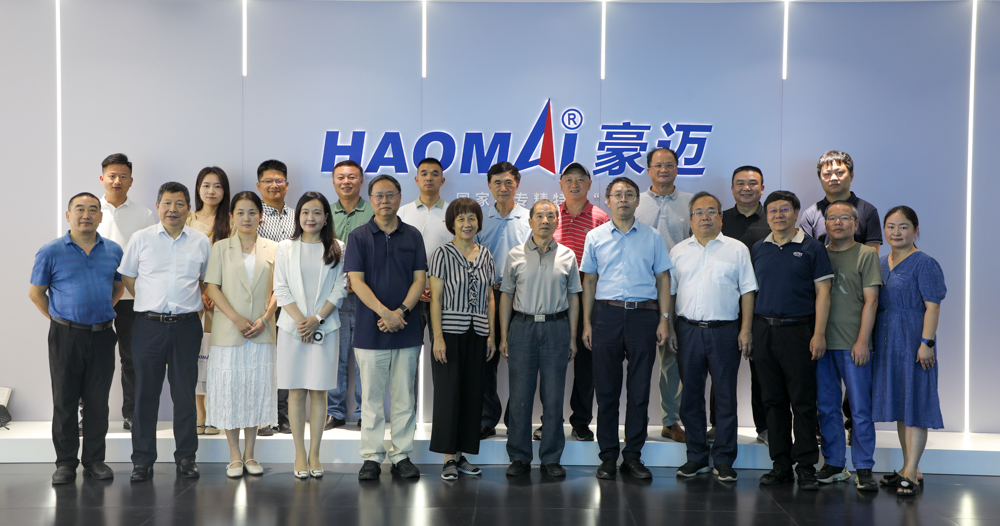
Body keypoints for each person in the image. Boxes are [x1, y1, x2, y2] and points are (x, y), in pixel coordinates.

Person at [119, 182, 211, 482]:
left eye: (179, 204)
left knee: (184, 395)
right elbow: (128, 277)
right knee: (145, 395)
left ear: (188, 208)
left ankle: (186, 458)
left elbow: (204, 281)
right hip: (148, 326)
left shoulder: (200, 241)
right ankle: (142, 461)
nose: (173, 209)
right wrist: (150, 301)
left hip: (186, 327)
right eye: (167, 203)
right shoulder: (141, 239)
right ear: (158, 206)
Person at [29, 192, 124, 485]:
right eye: (80, 209)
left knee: (98, 402)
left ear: (101, 216)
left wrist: (99, 313)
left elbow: (118, 288)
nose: (86, 215)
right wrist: (62, 320)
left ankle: (94, 460)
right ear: (68, 215)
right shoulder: (50, 251)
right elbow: (36, 293)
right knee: (65, 400)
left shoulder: (113, 250)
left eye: (93, 209)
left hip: (103, 335)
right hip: (65, 336)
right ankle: (66, 463)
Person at [581, 177, 673, 480]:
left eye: (629, 194)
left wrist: (664, 319)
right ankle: (608, 456)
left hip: (643, 317)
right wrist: (587, 323)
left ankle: (633, 455)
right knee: (606, 391)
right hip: (605, 316)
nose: (623, 199)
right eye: (618, 195)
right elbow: (589, 281)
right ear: (608, 200)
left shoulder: (652, 236)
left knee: (639, 390)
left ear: (637, 200)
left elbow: (663, 279)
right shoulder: (595, 236)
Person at [669, 192, 757, 482]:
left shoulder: (737, 249)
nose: (704, 217)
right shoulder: (679, 251)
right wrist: (669, 326)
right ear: (691, 219)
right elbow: (671, 292)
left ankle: (723, 459)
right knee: (690, 397)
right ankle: (696, 457)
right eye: (699, 212)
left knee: (725, 398)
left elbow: (748, 291)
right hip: (688, 331)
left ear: (721, 217)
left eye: (711, 211)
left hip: (725, 332)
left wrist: (746, 329)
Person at [345, 174, 428, 480]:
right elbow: (356, 282)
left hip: (407, 328)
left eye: (390, 195)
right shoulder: (358, 236)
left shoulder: (413, 235)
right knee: (371, 399)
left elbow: (420, 279)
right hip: (370, 330)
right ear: (370, 200)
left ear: (399, 197)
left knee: (405, 397)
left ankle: (401, 455)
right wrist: (385, 313)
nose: (384, 201)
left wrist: (401, 312)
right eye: (378, 195)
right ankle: (371, 456)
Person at [751, 190, 833, 491]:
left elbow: (823, 293)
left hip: (799, 331)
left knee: (802, 402)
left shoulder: (812, 248)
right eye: (772, 210)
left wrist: (819, 333)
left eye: (784, 209)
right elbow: (750, 293)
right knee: (772, 401)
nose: (778, 215)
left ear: (796, 213)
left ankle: (807, 466)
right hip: (763, 331)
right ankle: (781, 465)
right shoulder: (759, 248)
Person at [500, 199, 581, 478]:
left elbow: (573, 297)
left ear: (557, 221)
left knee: (554, 396)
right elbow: (506, 296)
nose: (545, 220)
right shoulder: (515, 254)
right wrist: (504, 335)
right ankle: (519, 457)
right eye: (540, 216)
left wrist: (573, 336)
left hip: (556, 328)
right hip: (522, 328)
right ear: (530, 221)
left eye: (550, 216)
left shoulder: (568, 255)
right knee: (520, 397)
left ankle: (551, 458)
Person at [203, 191, 278, 478]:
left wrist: (264, 319)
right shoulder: (221, 247)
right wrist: (235, 319)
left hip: (261, 331)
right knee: (231, 393)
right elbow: (211, 287)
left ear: (261, 216)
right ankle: (234, 455)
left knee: (255, 391)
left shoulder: (274, 248)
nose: (246, 218)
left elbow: (280, 289)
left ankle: (250, 454)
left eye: (252, 212)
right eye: (240, 212)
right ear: (231, 216)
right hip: (228, 331)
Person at [274, 192, 348, 479]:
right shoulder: (285, 247)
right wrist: (301, 322)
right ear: (298, 216)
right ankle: (299, 454)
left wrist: (317, 320)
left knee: (319, 390)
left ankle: (315, 453)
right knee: (295, 391)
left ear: (326, 217)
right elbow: (280, 288)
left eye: (317, 212)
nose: (311, 218)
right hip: (292, 329)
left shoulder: (337, 247)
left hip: (325, 328)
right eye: (305, 212)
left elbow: (340, 289)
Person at [872, 206, 945, 496]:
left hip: (914, 340)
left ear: (916, 230)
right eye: (891, 226)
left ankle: (912, 473)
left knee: (916, 405)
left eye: (903, 227)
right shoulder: (881, 262)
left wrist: (926, 343)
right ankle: (907, 467)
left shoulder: (925, 263)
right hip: (887, 341)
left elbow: (933, 307)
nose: (896, 232)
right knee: (903, 406)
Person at [535, 162, 608, 443]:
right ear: (561, 185)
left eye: (580, 179)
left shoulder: (601, 218)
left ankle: (581, 422)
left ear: (589, 184)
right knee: (552, 365)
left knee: (586, 364)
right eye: (568, 180)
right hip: (555, 300)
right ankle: (549, 421)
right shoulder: (551, 216)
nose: (574, 184)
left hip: (589, 300)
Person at [428, 198, 496, 481]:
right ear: (452, 224)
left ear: (478, 222)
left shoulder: (486, 255)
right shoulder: (442, 254)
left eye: (472, 218)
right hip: (449, 333)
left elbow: (490, 297)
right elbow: (436, 299)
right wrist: (438, 338)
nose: (467, 224)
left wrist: (491, 334)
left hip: (478, 333)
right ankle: (448, 458)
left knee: (472, 394)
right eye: (461, 219)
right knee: (448, 394)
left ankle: (462, 455)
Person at [815, 200, 881, 491]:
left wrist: (863, 341)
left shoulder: (866, 254)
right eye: (832, 218)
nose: (838, 223)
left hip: (854, 345)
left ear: (856, 224)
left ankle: (864, 467)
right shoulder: (818, 254)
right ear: (825, 224)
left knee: (860, 409)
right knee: (827, 407)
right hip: (822, 344)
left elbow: (872, 301)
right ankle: (834, 463)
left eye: (844, 218)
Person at [95, 153, 157, 432]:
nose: (117, 181)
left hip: (132, 298)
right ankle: (90, 415)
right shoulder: (91, 210)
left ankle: (132, 413)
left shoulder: (144, 215)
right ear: (102, 178)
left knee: (132, 358)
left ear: (131, 181)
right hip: (97, 298)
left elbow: (150, 256)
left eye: (123, 176)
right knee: (95, 359)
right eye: (112, 175)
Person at [634, 147, 691, 444]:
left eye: (669, 165)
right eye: (658, 165)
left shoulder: (691, 203)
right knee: (639, 359)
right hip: (641, 292)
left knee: (672, 358)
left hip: (679, 291)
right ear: (649, 170)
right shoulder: (635, 202)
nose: (664, 170)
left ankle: (670, 421)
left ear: (677, 168)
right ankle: (636, 421)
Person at [474, 162, 531, 440]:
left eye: (508, 182)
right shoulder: (480, 218)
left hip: (520, 296)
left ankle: (515, 419)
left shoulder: (529, 218)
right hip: (487, 295)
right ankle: (487, 418)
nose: (503, 188)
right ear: (489, 186)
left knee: (520, 360)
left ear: (517, 184)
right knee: (487, 359)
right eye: (497, 183)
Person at [719, 166, 770, 444]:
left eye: (752, 183)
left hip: (762, 307)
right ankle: (718, 425)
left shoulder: (772, 218)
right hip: (724, 306)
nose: (746, 188)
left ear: (762, 188)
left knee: (762, 371)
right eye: (740, 183)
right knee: (721, 370)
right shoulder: (721, 219)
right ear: (732, 188)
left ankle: (764, 427)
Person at [326, 159, 372, 430]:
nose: (346, 181)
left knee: (365, 358)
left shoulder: (374, 211)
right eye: (341, 177)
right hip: (335, 300)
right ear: (333, 181)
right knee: (337, 357)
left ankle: (366, 412)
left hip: (368, 298)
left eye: (352, 177)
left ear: (361, 181)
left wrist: (361, 282)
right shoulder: (324, 213)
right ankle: (335, 412)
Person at [187, 167, 232, 437]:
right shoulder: (188, 218)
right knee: (195, 357)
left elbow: (234, 262)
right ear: (198, 189)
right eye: (206, 185)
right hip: (192, 298)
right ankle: (199, 414)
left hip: (222, 300)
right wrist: (201, 290)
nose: (211, 191)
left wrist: (215, 291)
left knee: (217, 358)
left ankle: (215, 413)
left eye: (217, 186)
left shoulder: (232, 221)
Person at [256, 159, 295, 435]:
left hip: (293, 299)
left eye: (279, 180)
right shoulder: (253, 215)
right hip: (263, 297)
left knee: (286, 358)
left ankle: (282, 413)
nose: (274, 185)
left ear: (287, 184)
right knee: (263, 357)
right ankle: (263, 414)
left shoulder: (298, 215)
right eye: (268, 181)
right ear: (259, 185)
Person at [399, 158, 452, 342]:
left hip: (445, 295)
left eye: (435, 174)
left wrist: (435, 287)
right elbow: (397, 256)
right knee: (409, 350)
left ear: (442, 181)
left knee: (442, 349)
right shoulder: (402, 213)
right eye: (424, 174)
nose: (429, 178)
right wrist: (418, 287)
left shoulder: (453, 213)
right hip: (409, 295)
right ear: (416, 179)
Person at [800, 151, 882, 248]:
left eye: (839, 173)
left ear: (851, 176)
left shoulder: (868, 210)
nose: (833, 178)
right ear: (820, 179)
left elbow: (872, 253)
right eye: (827, 174)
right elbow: (806, 252)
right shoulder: (810, 215)